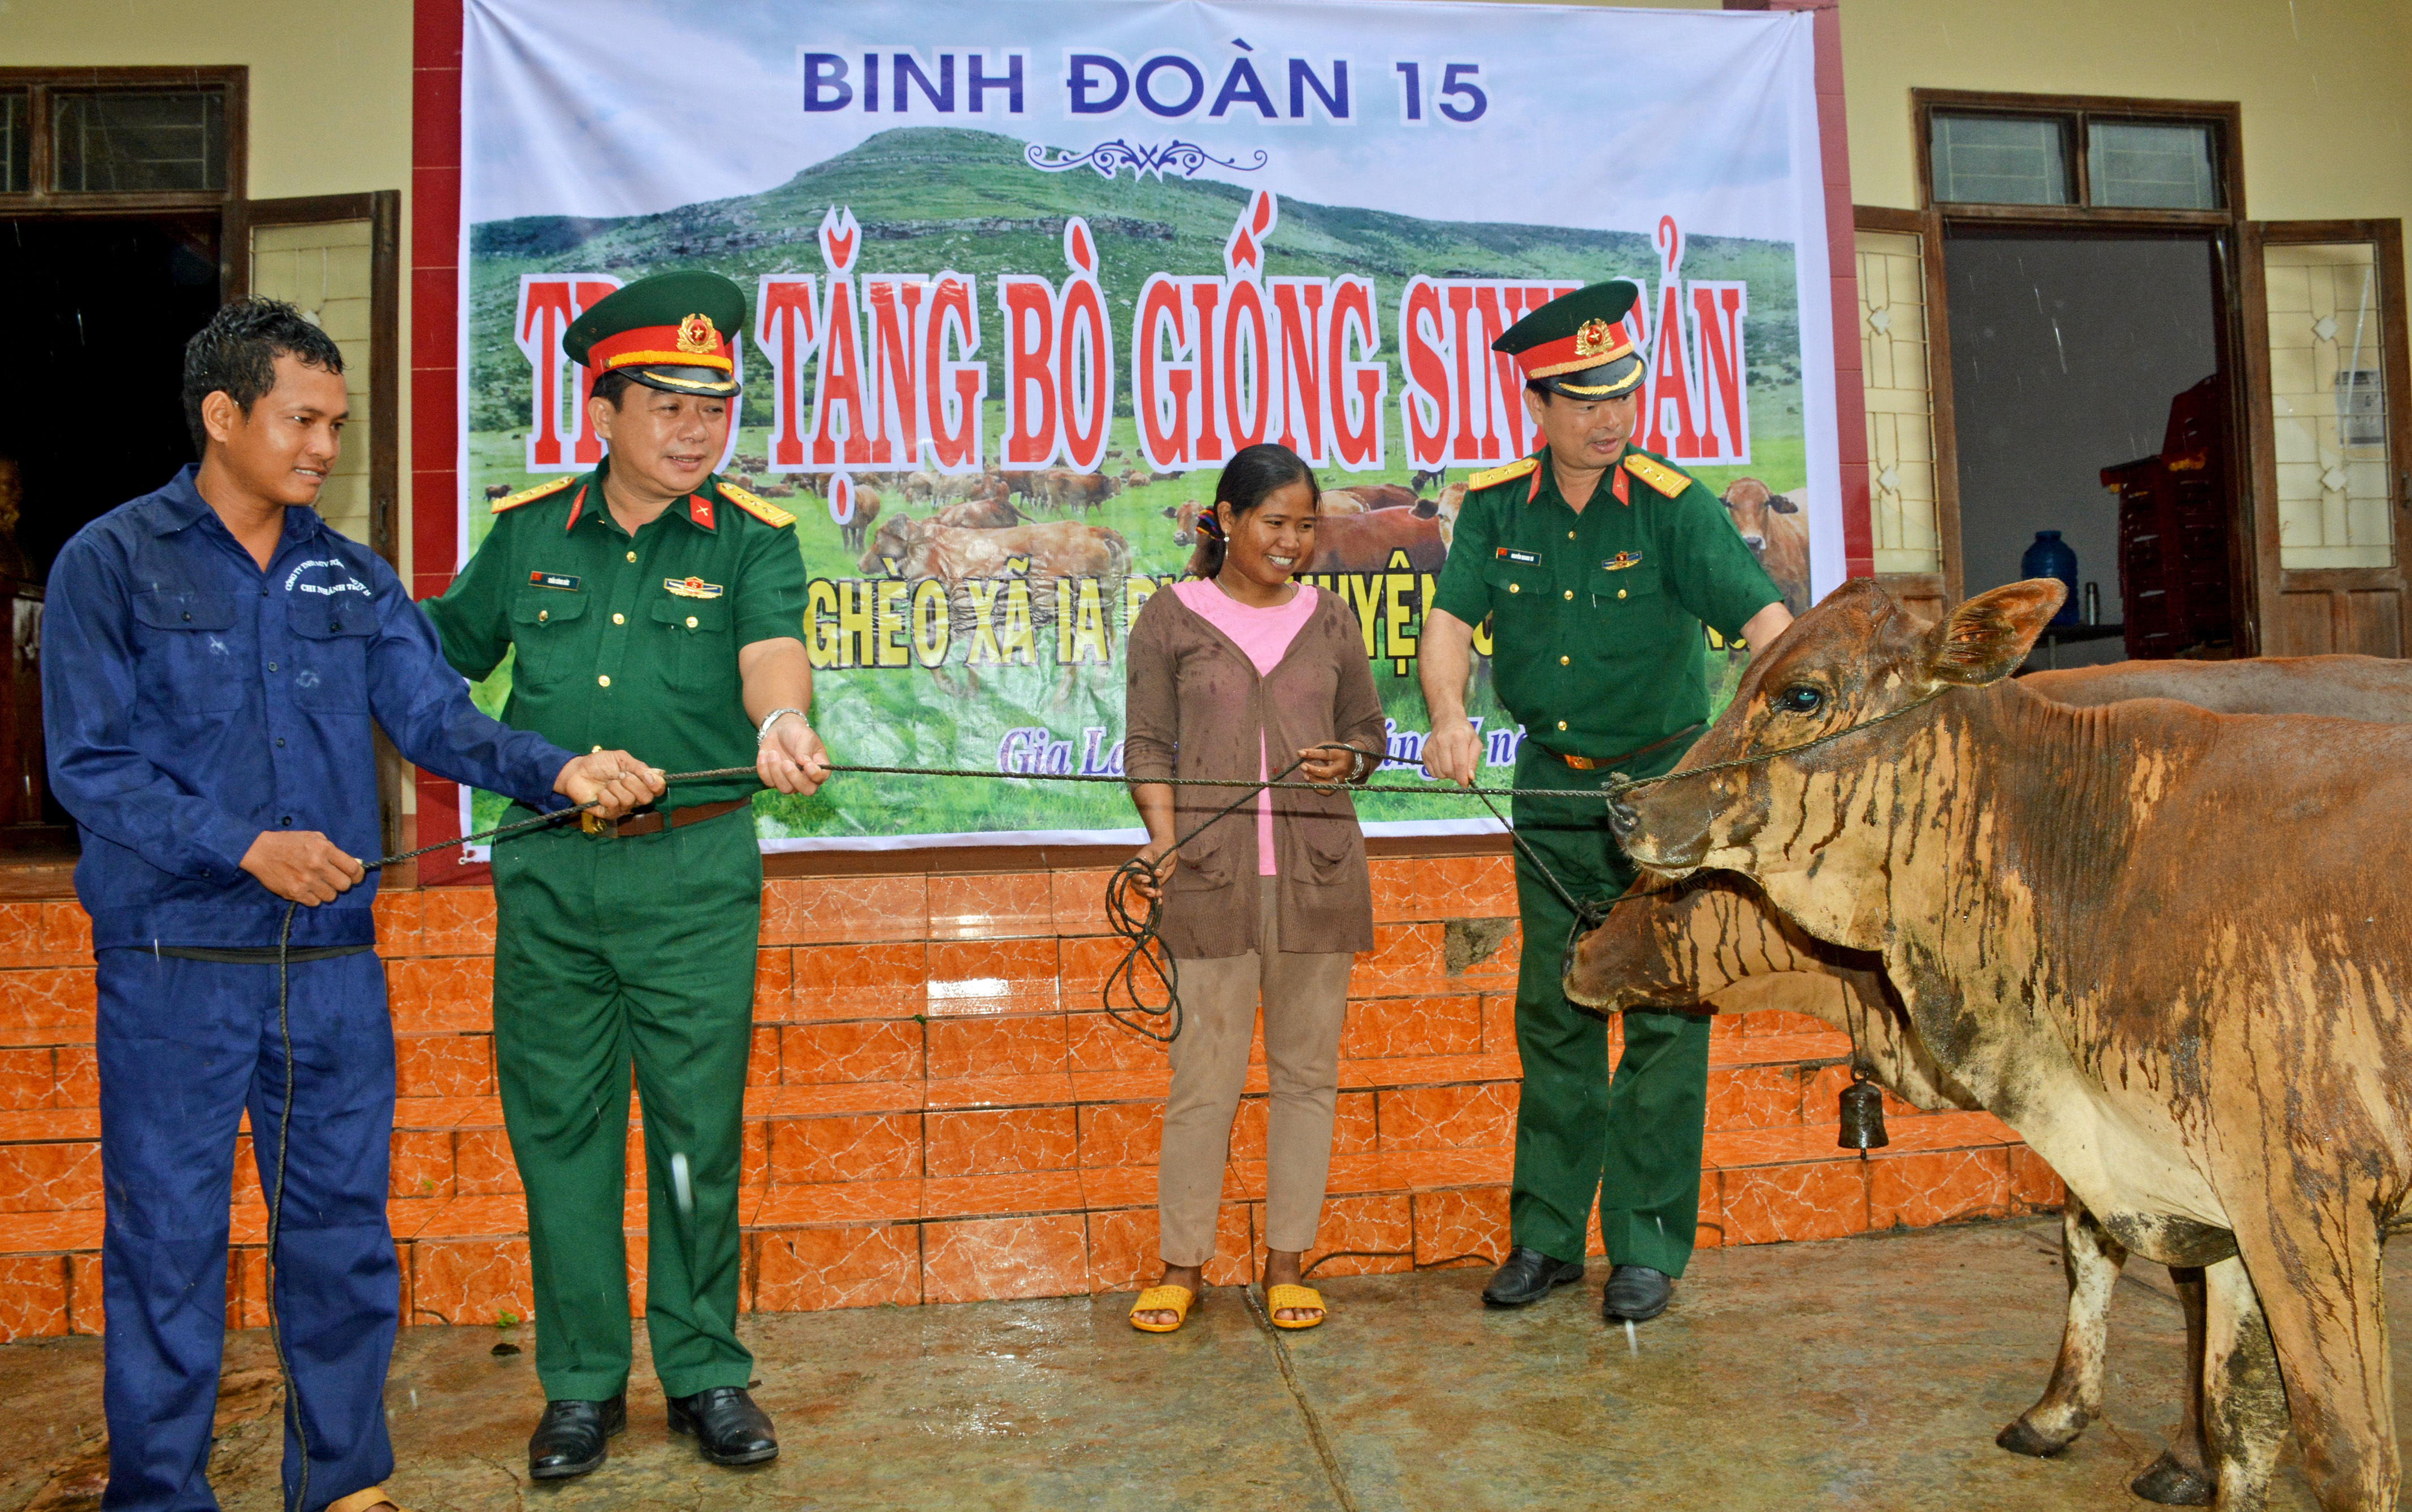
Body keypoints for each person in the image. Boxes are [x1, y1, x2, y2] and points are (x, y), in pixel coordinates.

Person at [43, 297, 657, 1512]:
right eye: (302, 419)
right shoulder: (108, 562)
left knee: (340, 1240)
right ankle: (159, 1491)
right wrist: (241, 847)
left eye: (337, 422)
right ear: (224, 417)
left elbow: (437, 720)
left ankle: (341, 1480)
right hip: (175, 961)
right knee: (167, 1246)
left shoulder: (352, 576)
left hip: (326, 967)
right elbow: (90, 765)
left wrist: (560, 769)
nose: (324, 446)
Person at [423, 270, 829, 1480]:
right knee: (565, 1137)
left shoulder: (755, 539)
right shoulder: (528, 532)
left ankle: (706, 1368)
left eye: (717, 408)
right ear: (602, 413)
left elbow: (772, 653)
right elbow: (429, 662)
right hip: (551, 884)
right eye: (669, 406)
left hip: (694, 885)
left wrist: (781, 725)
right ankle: (581, 1387)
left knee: (696, 1136)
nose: (699, 430)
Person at [1418, 281, 1793, 1325]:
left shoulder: (1677, 509)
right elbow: (1450, 624)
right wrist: (1448, 714)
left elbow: (1770, 627)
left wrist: (1770, 751)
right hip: (1548, 790)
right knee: (1558, 1016)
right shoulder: (1496, 509)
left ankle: (1645, 1247)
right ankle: (1544, 1238)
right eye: (1585, 399)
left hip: (1666, 795)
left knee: (1668, 1016)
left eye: (1622, 392)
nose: (1611, 417)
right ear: (1538, 404)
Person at [1121, 442, 1387, 1334]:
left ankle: (1287, 1262)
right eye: (1275, 523)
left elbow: (1366, 735)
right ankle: (1181, 1267)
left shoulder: (1332, 618)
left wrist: (1344, 759)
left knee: (1308, 1078)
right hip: (1207, 882)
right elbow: (1148, 744)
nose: (1293, 542)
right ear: (1227, 521)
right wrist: (1164, 842)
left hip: (1318, 881)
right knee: (1203, 1083)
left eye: (1307, 526)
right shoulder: (1172, 617)